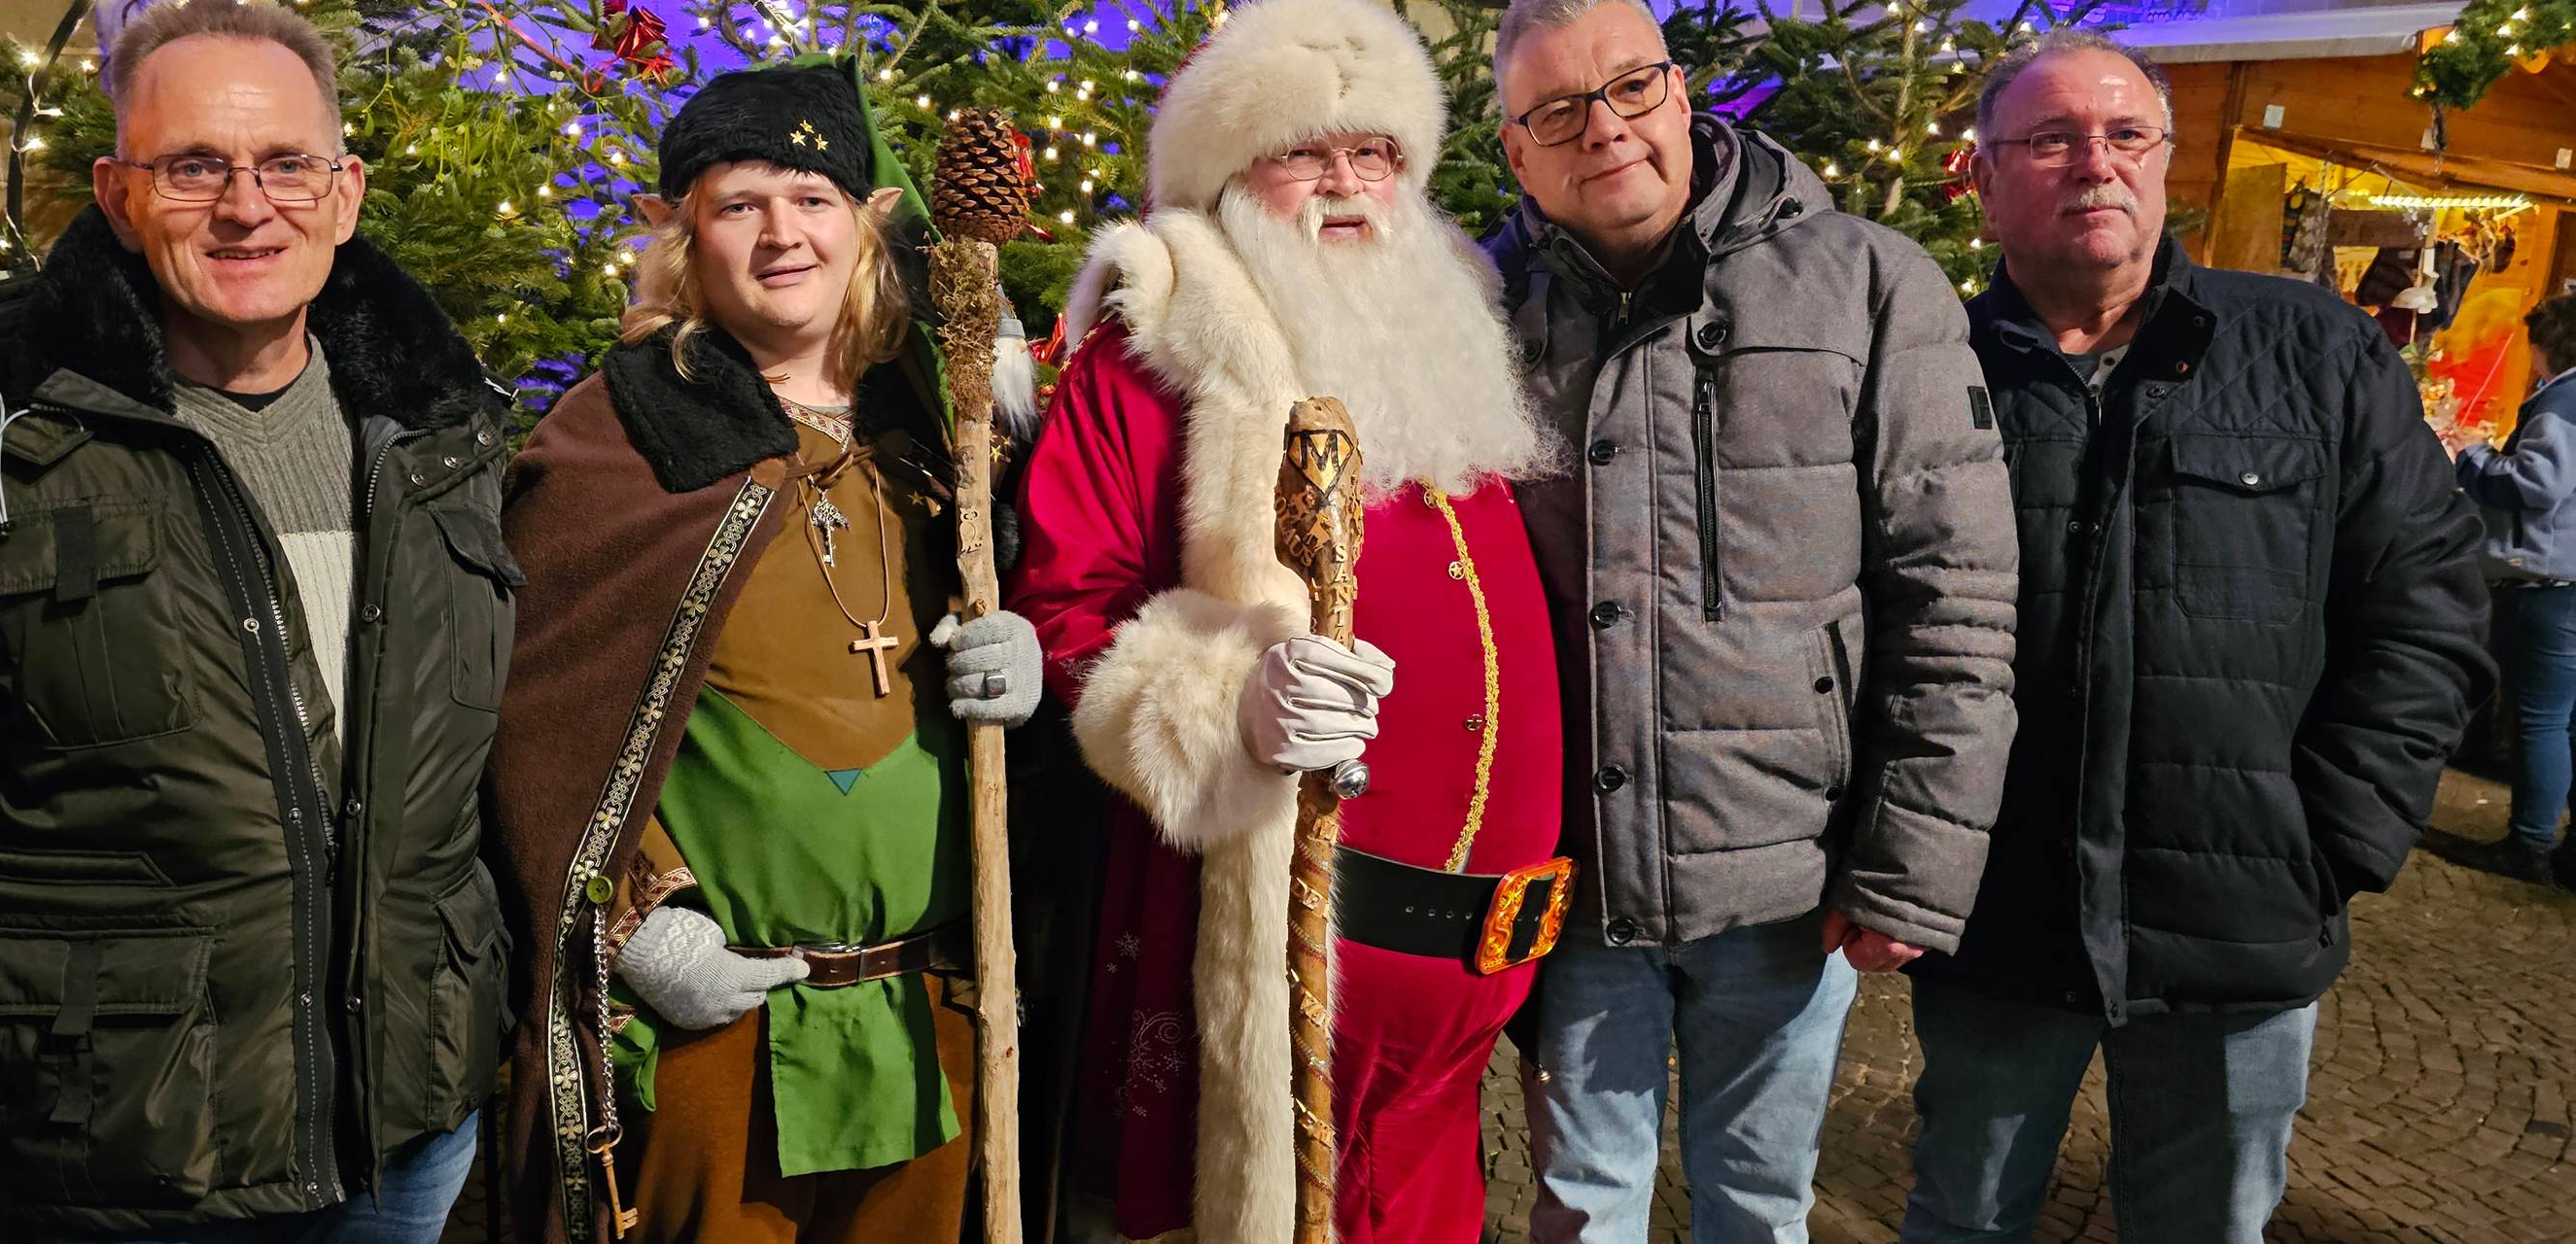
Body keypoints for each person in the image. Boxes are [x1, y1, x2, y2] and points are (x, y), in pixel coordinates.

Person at [0, 2, 513, 1242]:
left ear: (345, 194)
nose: (248, 206)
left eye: (287, 163)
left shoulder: (442, 438)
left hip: (406, 1145)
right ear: (119, 195)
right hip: (126, 1159)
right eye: (194, 166)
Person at [1903, 30, 2493, 1243]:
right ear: (1986, 178)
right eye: (2053, 138)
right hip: (1999, 917)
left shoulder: (2312, 351)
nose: (2096, 163)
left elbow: (2426, 601)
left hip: (2241, 916)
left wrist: (2335, 836)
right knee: (1964, 1215)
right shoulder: (1924, 371)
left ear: (2166, 161)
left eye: (2126, 134)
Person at [1003, 1, 1571, 1238]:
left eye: (1375, 153)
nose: (1347, 183)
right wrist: (1230, 699)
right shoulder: (1155, 344)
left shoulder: (1447, 322)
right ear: (1230, 170)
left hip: (1474, 986)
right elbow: (1067, 606)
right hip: (1297, 945)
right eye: (1305, 152)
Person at [1479, 2, 2021, 1239]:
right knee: (1581, 1207)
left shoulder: (1866, 282)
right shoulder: (1478, 308)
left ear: (1680, 94)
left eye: (1629, 88)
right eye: (1556, 111)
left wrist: (1912, 864)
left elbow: (1955, 590)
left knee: (1760, 1205)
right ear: (1516, 151)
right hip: (1576, 874)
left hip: (1790, 872)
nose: (1602, 129)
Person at [486, 62, 1043, 1244]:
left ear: (866, 220)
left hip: (931, 1016)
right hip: (717, 1034)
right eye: (740, 204)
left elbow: (1067, 606)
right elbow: (531, 715)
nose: (783, 234)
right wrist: (639, 919)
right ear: (685, 234)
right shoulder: (620, 436)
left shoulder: (943, 437)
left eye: (812, 198)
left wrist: (1027, 652)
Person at [2454, 294, 2576, 888]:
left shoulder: (2562, 399)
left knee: (2540, 719)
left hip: (2545, 581)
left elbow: (2537, 484)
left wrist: (2470, 456)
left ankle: (2529, 844)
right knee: (2567, 721)